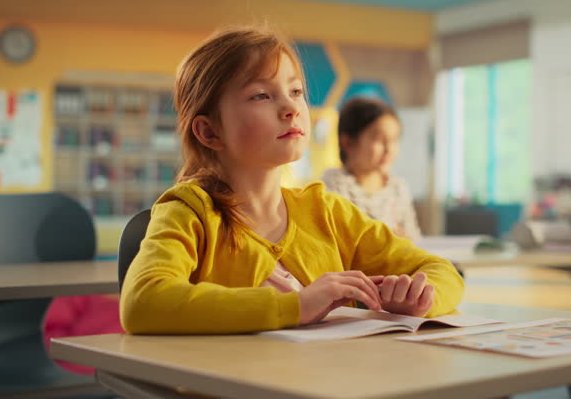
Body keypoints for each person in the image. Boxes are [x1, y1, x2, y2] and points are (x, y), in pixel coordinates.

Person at [119, 27, 464, 335]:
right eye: (261, 96)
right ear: (209, 131)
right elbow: (142, 301)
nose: (291, 108)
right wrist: (296, 306)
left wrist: (419, 299)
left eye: (296, 91)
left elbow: (442, 271)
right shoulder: (189, 212)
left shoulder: (326, 211)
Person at [322, 97, 421, 242]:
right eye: (379, 140)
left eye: (394, 139)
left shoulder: (398, 189)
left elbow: (413, 241)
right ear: (348, 143)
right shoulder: (331, 189)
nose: (389, 149)